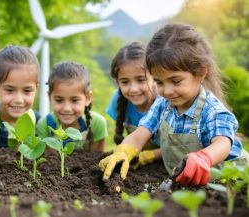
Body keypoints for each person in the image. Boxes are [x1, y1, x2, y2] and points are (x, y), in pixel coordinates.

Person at [99, 23, 249, 187]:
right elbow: (138, 135)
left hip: (232, 180)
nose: (168, 91)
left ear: (200, 72)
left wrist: (204, 157)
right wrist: (124, 150)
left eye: (175, 81)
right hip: (193, 183)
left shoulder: (212, 110)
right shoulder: (163, 104)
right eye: (159, 82)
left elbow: (223, 144)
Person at [105, 42, 161, 167]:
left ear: (154, 76)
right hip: (136, 165)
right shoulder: (118, 99)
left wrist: (149, 155)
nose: (133, 89)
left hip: (166, 164)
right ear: (117, 81)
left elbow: (178, 149)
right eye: (125, 82)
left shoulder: (166, 102)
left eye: (140, 80)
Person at [37, 61, 108, 152]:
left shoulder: (97, 124)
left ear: (87, 98)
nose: (67, 108)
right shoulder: (45, 125)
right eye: (59, 100)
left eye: (74, 100)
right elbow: (49, 161)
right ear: (49, 97)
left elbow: (97, 159)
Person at [0, 45, 40, 148]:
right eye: (10, 90)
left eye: (27, 91)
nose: (18, 100)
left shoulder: (38, 122)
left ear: (36, 89)